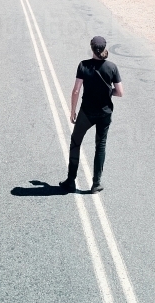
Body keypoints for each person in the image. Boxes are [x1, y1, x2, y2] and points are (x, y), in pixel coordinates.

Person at [60, 36, 123, 193]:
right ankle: (96, 183)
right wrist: (108, 93)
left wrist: (73, 111)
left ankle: (70, 180)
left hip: (87, 113)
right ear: (105, 47)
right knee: (100, 146)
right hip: (104, 114)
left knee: (76, 142)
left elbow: (76, 90)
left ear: (92, 48)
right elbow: (120, 92)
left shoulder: (84, 65)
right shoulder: (112, 67)